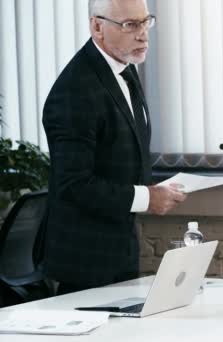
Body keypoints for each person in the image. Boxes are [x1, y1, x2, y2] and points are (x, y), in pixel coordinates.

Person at [42, 0, 186, 295]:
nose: (143, 34)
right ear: (97, 27)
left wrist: (154, 190)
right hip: (84, 261)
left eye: (146, 22)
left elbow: (122, 150)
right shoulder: (75, 91)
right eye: (131, 25)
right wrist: (147, 197)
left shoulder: (124, 66)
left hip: (120, 249)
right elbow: (73, 184)